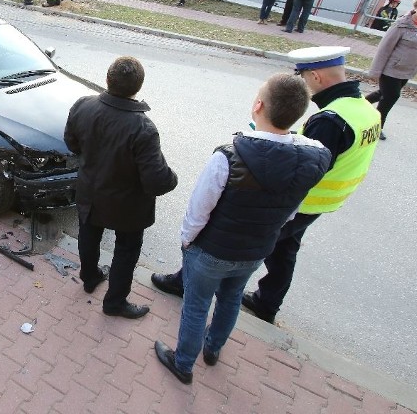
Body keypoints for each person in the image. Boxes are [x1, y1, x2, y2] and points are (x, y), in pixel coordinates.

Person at [151, 46, 382, 325]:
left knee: (236, 239)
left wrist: (257, 148)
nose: (301, 82)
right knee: (285, 251)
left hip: (295, 203)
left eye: (302, 75)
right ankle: (267, 303)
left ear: (317, 77)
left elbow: (301, 164)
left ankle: (186, 282)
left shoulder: (330, 120)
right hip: (320, 203)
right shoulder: (364, 109)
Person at [154, 74, 331, 385]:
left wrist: (187, 243)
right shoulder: (311, 161)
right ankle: (213, 349)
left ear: (258, 105)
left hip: (211, 252)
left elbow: (199, 211)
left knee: (196, 306)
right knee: (232, 298)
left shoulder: (229, 157)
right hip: (256, 250)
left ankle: (183, 363)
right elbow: (291, 212)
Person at [64, 56, 178, 320]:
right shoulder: (143, 129)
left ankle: (90, 277)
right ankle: (114, 302)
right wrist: (173, 178)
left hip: (91, 193)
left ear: (107, 79)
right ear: (138, 87)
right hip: (128, 206)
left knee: (88, 234)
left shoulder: (83, 106)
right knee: (126, 249)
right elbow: (157, 181)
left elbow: (71, 143)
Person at [365, 0, 417, 140]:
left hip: (407, 70)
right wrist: (375, 72)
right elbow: (384, 48)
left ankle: (358, 105)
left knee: (383, 94)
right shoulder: (402, 24)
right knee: (391, 97)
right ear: (416, 6)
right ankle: (376, 127)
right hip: (391, 69)